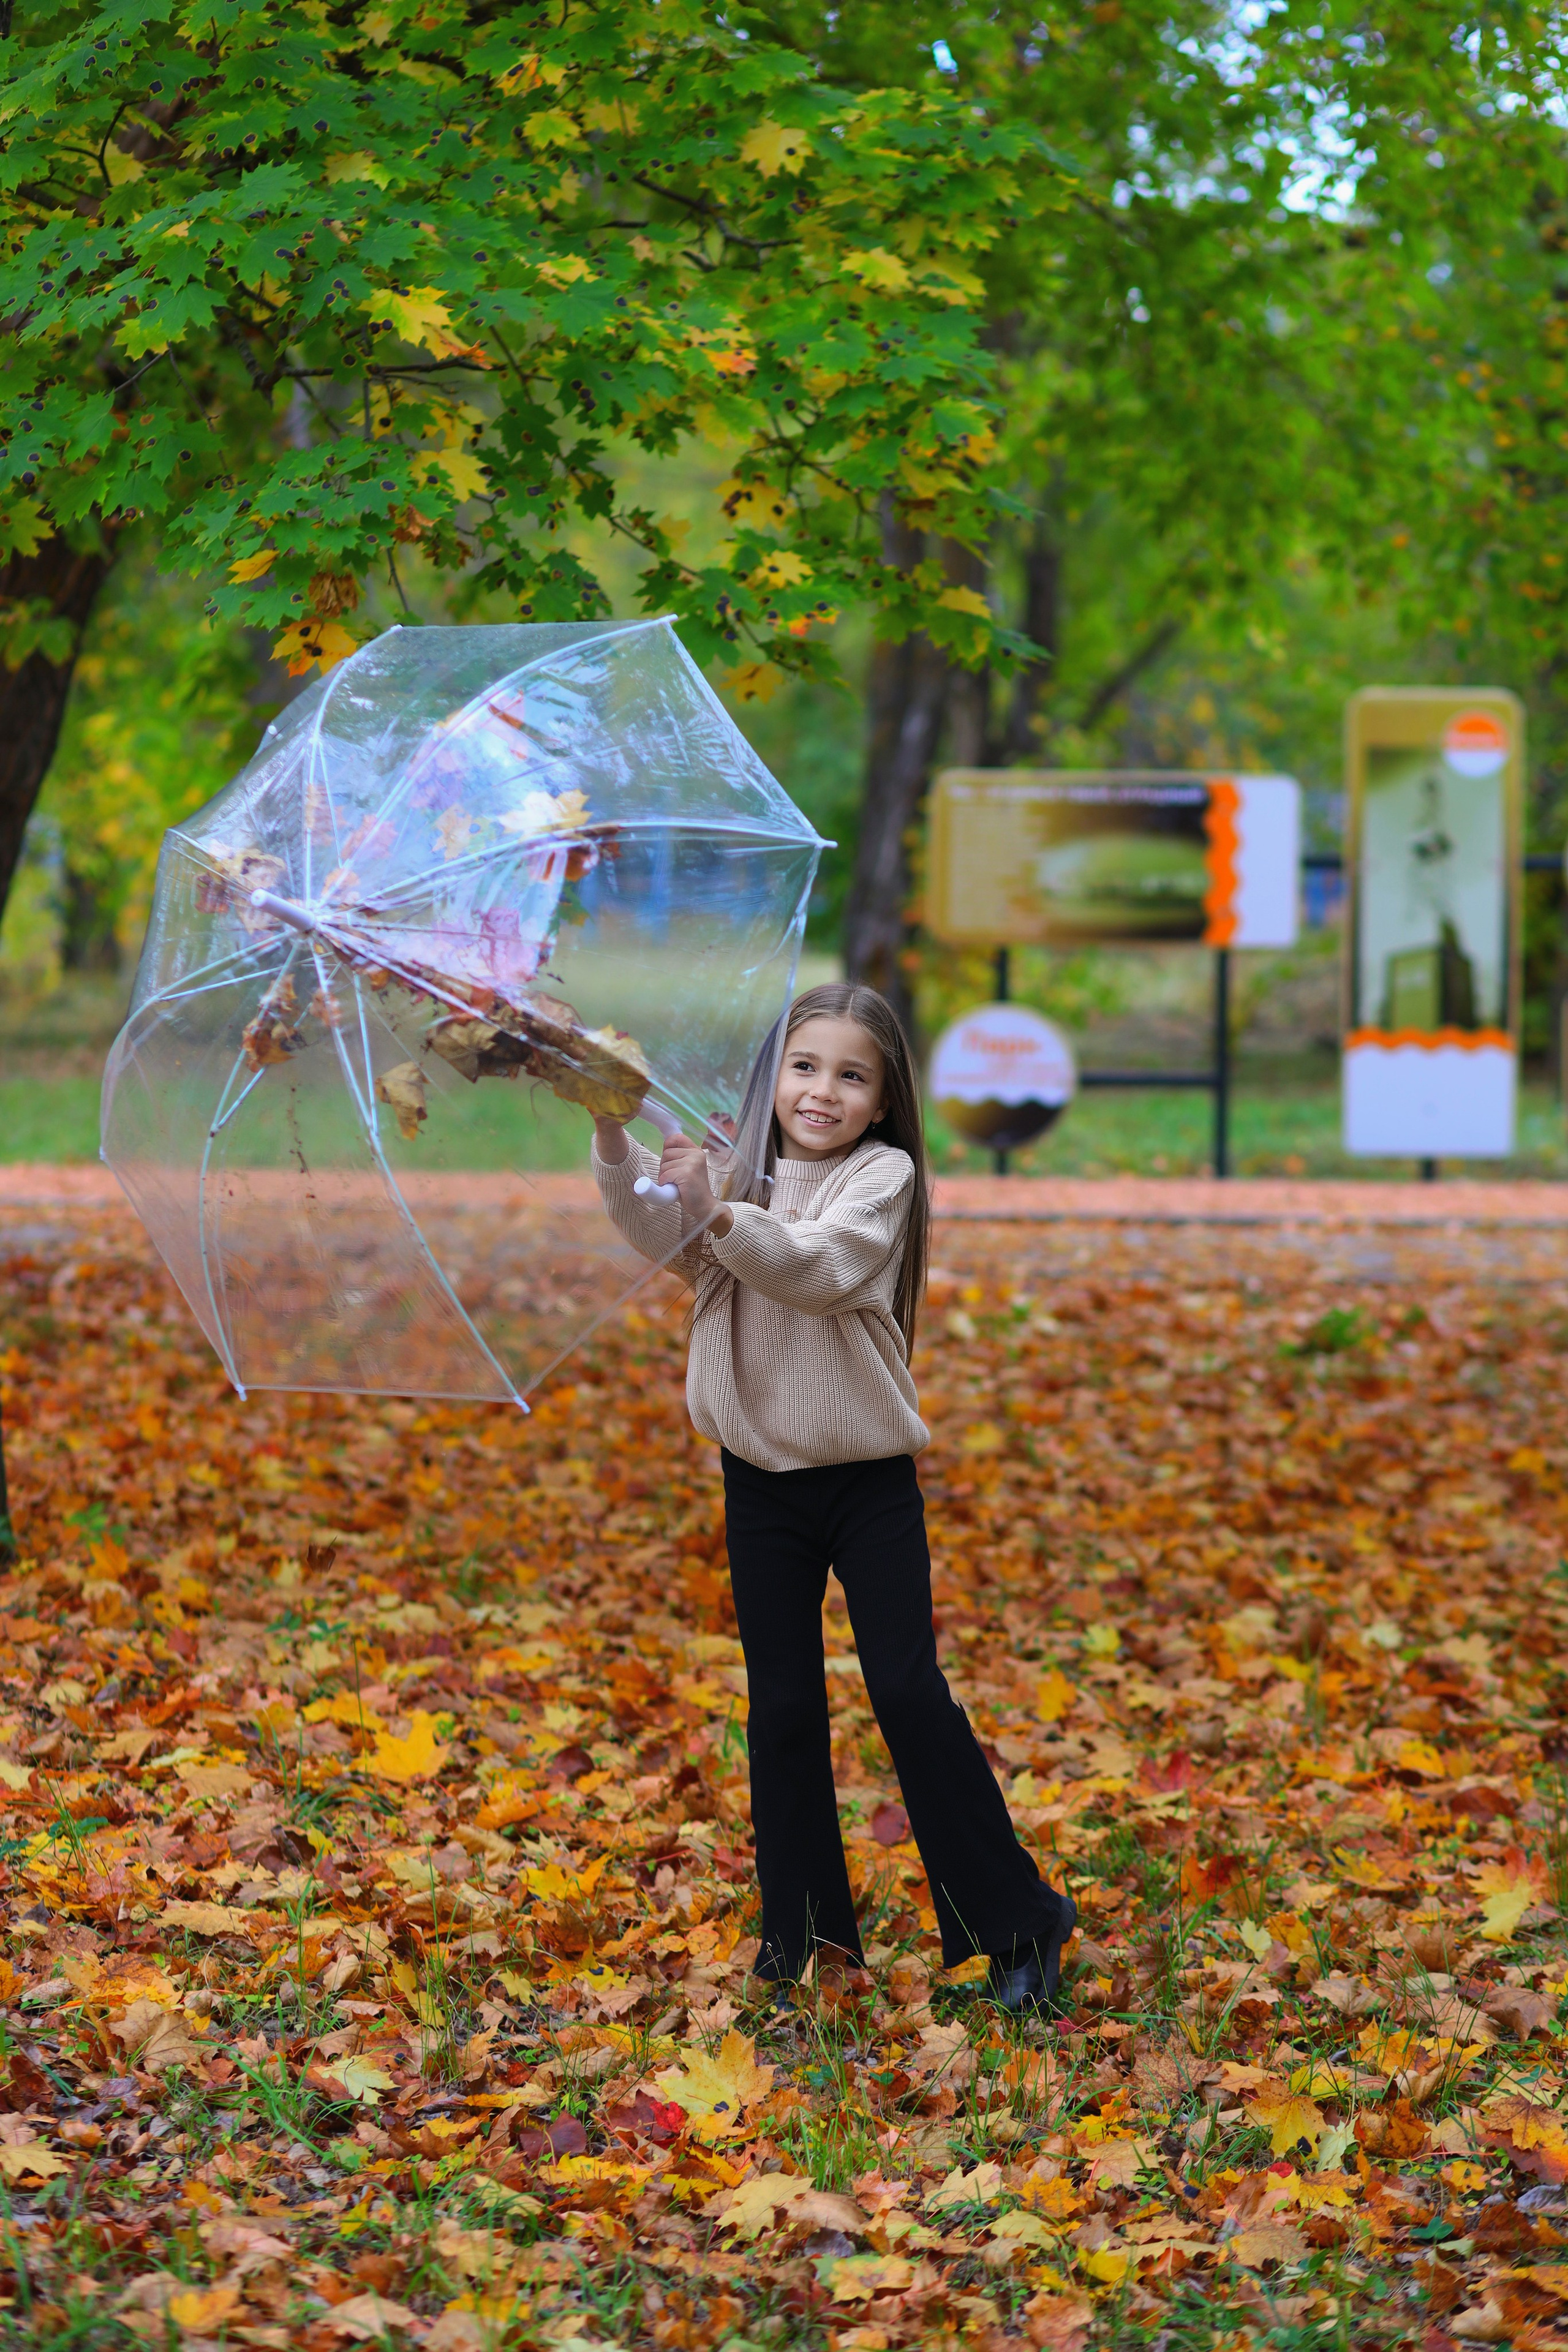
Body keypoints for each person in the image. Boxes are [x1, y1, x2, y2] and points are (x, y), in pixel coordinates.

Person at [591, 981, 1076, 2012]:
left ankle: (1019, 1922)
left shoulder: (880, 1177)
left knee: (905, 1689)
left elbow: (815, 1268)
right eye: (804, 1067)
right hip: (759, 1480)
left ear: (884, 1097)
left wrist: (719, 1209)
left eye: (852, 1075)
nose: (822, 1091)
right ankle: (804, 1937)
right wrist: (614, 1135)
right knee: (781, 1705)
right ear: (775, 1076)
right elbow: (663, 1241)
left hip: (866, 1479)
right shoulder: (733, 1165)